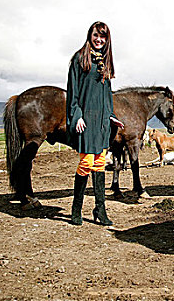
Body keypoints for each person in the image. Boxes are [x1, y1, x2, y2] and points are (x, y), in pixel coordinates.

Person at [66, 21, 124, 226]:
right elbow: (73, 91)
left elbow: (107, 94)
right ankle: (76, 209)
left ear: (107, 39)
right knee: (86, 163)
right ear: (89, 35)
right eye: (96, 35)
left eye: (103, 36)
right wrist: (76, 115)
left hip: (102, 120)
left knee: (100, 163)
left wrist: (111, 115)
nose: (99, 40)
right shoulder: (79, 58)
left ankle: (100, 209)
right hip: (85, 119)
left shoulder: (106, 62)